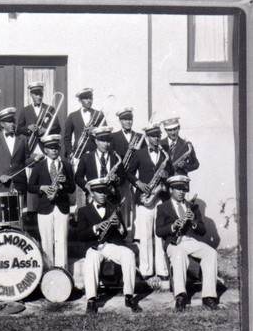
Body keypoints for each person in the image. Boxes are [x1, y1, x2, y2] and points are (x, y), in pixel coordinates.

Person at [77, 178, 141, 314]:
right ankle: (91, 299)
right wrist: (96, 228)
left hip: (111, 246)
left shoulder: (113, 208)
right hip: (94, 246)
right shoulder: (83, 211)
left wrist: (119, 225)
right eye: (98, 192)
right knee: (91, 260)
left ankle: (129, 296)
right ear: (92, 193)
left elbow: (123, 235)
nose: (102, 195)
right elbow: (80, 235)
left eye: (104, 192)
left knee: (129, 254)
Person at [156, 175, 219, 311]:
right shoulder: (162, 207)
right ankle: (180, 296)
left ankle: (209, 297)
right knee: (179, 254)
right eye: (177, 189)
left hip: (190, 241)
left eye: (184, 189)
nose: (181, 192)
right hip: (173, 242)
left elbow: (202, 231)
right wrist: (173, 226)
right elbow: (159, 231)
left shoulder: (193, 207)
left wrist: (194, 222)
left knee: (211, 253)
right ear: (170, 190)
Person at [126, 123, 173, 284]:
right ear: (147, 137)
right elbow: (129, 173)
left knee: (159, 234)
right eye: (153, 136)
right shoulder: (139, 154)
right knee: (145, 236)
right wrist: (138, 183)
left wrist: (166, 177)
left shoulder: (165, 155)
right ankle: (146, 270)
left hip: (159, 198)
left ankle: (162, 270)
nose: (157, 139)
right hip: (144, 198)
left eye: (158, 136)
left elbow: (171, 176)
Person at [28, 134, 75, 268]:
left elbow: (72, 188)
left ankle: (62, 269)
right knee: (46, 240)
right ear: (45, 150)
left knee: (61, 240)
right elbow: (30, 187)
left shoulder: (65, 165)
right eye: (50, 148)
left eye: (56, 147)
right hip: (45, 207)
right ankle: (48, 268)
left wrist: (64, 182)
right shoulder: (38, 166)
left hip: (61, 207)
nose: (54, 150)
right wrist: (42, 188)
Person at [0, 107, 36, 195]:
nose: (12, 124)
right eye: (9, 122)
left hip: (19, 185)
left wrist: (35, 159)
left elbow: (25, 161)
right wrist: (0, 175)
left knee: (19, 209)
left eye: (13, 121)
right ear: (2, 124)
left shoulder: (23, 139)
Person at [110, 107, 144, 235]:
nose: (128, 122)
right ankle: (122, 231)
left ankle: (136, 234)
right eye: (125, 119)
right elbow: (112, 156)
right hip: (121, 175)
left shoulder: (139, 136)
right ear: (120, 121)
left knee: (136, 203)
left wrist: (136, 150)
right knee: (122, 203)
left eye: (130, 119)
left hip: (136, 175)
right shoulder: (114, 136)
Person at [74, 126, 124, 207]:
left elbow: (123, 177)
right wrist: (87, 186)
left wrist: (116, 179)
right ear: (96, 141)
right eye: (102, 140)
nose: (105, 144)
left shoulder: (115, 157)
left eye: (108, 141)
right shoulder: (86, 157)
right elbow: (78, 177)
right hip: (93, 197)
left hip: (112, 198)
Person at [17, 81, 61, 152]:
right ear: (31, 94)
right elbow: (18, 129)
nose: (39, 97)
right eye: (36, 94)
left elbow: (57, 128)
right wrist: (28, 128)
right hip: (30, 147)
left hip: (46, 146)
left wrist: (46, 130)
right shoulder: (25, 110)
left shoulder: (50, 109)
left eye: (40, 94)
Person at [63, 88, 105, 161]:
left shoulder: (99, 114)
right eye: (86, 98)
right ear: (80, 100)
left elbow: (105, 133)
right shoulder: (72, 116)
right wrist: (70, 153)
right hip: (78, 154)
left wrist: (95, 131)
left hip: (95, 152)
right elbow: (67, 138)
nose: (89, 101)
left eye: (90, 98)